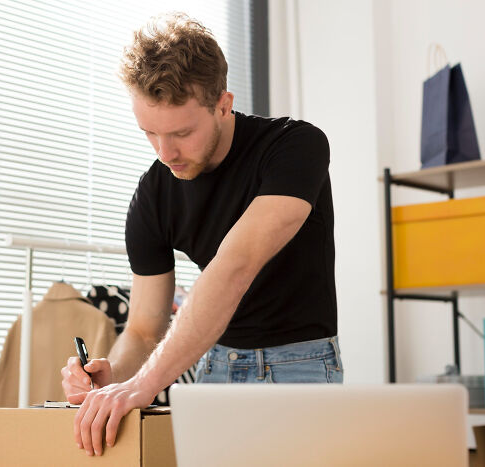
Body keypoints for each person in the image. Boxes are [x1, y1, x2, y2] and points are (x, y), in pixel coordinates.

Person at [60, 13, 341, 457]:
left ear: (223, 104)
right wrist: (113, 375)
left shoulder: (296, 147)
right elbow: (144, 329)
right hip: (216, 370)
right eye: (149, 133)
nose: (165, 153)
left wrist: (143, 386)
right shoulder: (154, 193)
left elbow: (236, 265)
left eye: (182, 133)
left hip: (300, 364)